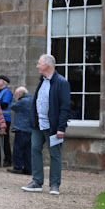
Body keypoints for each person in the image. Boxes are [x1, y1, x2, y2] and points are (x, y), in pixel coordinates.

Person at [22, 54, 70, 195]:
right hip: (38, 125)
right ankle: (37, 182)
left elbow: (65, 108)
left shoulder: (62, 83)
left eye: (39, 63)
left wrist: (61, 128)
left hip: (53, 127)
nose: (37, 66)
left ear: (47, 65)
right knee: (35, 150)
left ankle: (54, 184)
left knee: (55, 155)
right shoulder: (42, 81)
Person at [8, 87, 33, 175]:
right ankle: (28, 168)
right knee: (28, 150)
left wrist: (16, 99)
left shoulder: (22, 101)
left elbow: (12, 106)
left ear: (20, 94)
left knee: (18, 149)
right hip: (30, 129)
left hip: (21, 128)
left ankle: (17, 167)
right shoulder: (32, 100)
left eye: (16, 94)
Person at [0, 75, 13, 167]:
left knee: (5, 140)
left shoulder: (7, 92)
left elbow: (4, 104)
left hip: (4, 118)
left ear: (4, 82)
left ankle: (8, 159)